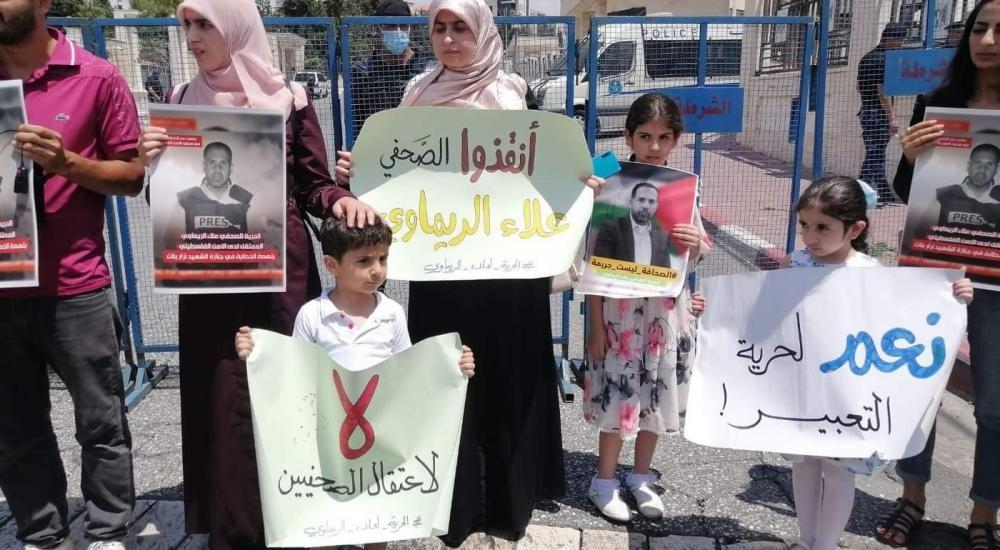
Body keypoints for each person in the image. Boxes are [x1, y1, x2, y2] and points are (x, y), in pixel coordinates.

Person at [333, 0, 604, 544]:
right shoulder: (416, 96)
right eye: (439, 27)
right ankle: (451, 505)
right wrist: (354, 175)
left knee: (507, 379)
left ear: (482, 31)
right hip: (442, 277)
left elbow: (544, 170)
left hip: (510, 278)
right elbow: (393, 177)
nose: (449, 38)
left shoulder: (513, 95)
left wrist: (579, 182)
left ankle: (508, 502)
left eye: (461, 27)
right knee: (445, 377)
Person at [136, 1, 374, 548]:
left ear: (237, 28)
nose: (193, 37)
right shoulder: (180, 101)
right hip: (208, 277)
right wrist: (153, 167)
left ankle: (299, 514)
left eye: (205, 24)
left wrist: (339, 200)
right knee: (221, 394)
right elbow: (164, 202)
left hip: (280, 275)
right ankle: (234, 526)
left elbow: (314, 185)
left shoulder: (288, 100)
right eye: (186, 25)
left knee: (286, 386)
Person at [234, 216, 476, 550]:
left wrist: (452, 366)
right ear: (332, 265)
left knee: (377, 519)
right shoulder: (312, 315)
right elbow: (293, 370)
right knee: (322, 521)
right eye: (364, 261)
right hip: (324, 437)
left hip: (380, 438)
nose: (377, 270)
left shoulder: (392, 313)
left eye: (383, 259)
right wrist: (256, 353)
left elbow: (410, 371)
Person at [0, 0, 147, 549]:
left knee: (100, 422)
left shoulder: (96, 77)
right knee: (14, 428)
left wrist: (67, 164)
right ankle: (42, 534)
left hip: (74, 287)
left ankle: (109, 531)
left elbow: (132, 175)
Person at [780, 176, 973, 550]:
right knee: (804, 464)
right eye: (804, 225)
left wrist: (954, 297)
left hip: (847, 394)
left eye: (823, 227)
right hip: (800, 386)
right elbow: (757, 309)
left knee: (838, 472)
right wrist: (712, 309)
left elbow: (909, 316)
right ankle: (806, 540)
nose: (810, 237)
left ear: (855, 229)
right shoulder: (794, 264)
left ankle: (825, 545)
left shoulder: (871, 273)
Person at [877, 2, 1000, 547]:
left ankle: (984, 515)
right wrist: (909, 156)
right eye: (979, 28)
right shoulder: (937, 104)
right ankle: (912, 497)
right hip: (933, 270)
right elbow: (910, 193)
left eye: (999, 31)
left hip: (998, 282)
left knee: (994, 405)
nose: (987, 40)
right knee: (921, 388)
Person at [582, 92, 709, 522]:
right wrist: (596, 324)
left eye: (663, 137)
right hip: (618, 319)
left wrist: (693, 244)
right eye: (645, 136)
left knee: (655, 397)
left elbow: (693, 257)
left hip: (664, 318)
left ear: (676, 139)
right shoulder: (609, 184)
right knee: (618, 396)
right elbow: (593, 264)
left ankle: (640, 476)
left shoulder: (682, 192)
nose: (654, 146)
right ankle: (603, 481)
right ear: (628, 136)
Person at [349, 0, 432, 142]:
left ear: (410, 27)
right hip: (378, 149)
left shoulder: (426, 69)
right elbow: (356, 125)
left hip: (421, 149)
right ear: (378, 28)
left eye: (403, 25)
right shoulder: (363, 72)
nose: (398, 31)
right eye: (391, 26)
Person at [857, 23, 908, 205]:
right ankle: (858, 195)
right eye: (900, 40)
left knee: (876, 154)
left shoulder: (867, 57)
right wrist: (892, 118)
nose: (901, 45)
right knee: (875, 155)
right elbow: (883, 92)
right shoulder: (883, 60)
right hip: (878, 114)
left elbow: (859, 87)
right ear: (891, 39)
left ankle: (884, 193)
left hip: (866, 110)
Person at [911, 142, 1000, 240]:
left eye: (989, 164)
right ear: (968, 166)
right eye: (977, 163)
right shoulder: (944, 194)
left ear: (996, 170)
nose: (982, 170)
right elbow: (922, 233)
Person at [593, 181, 673, 268]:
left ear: (656, 206)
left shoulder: (663, 236)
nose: (646, 206)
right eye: (641, 200)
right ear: (631, 202)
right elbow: (599, 266)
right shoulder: (611, 228)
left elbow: (665, 272)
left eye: (651, 202)